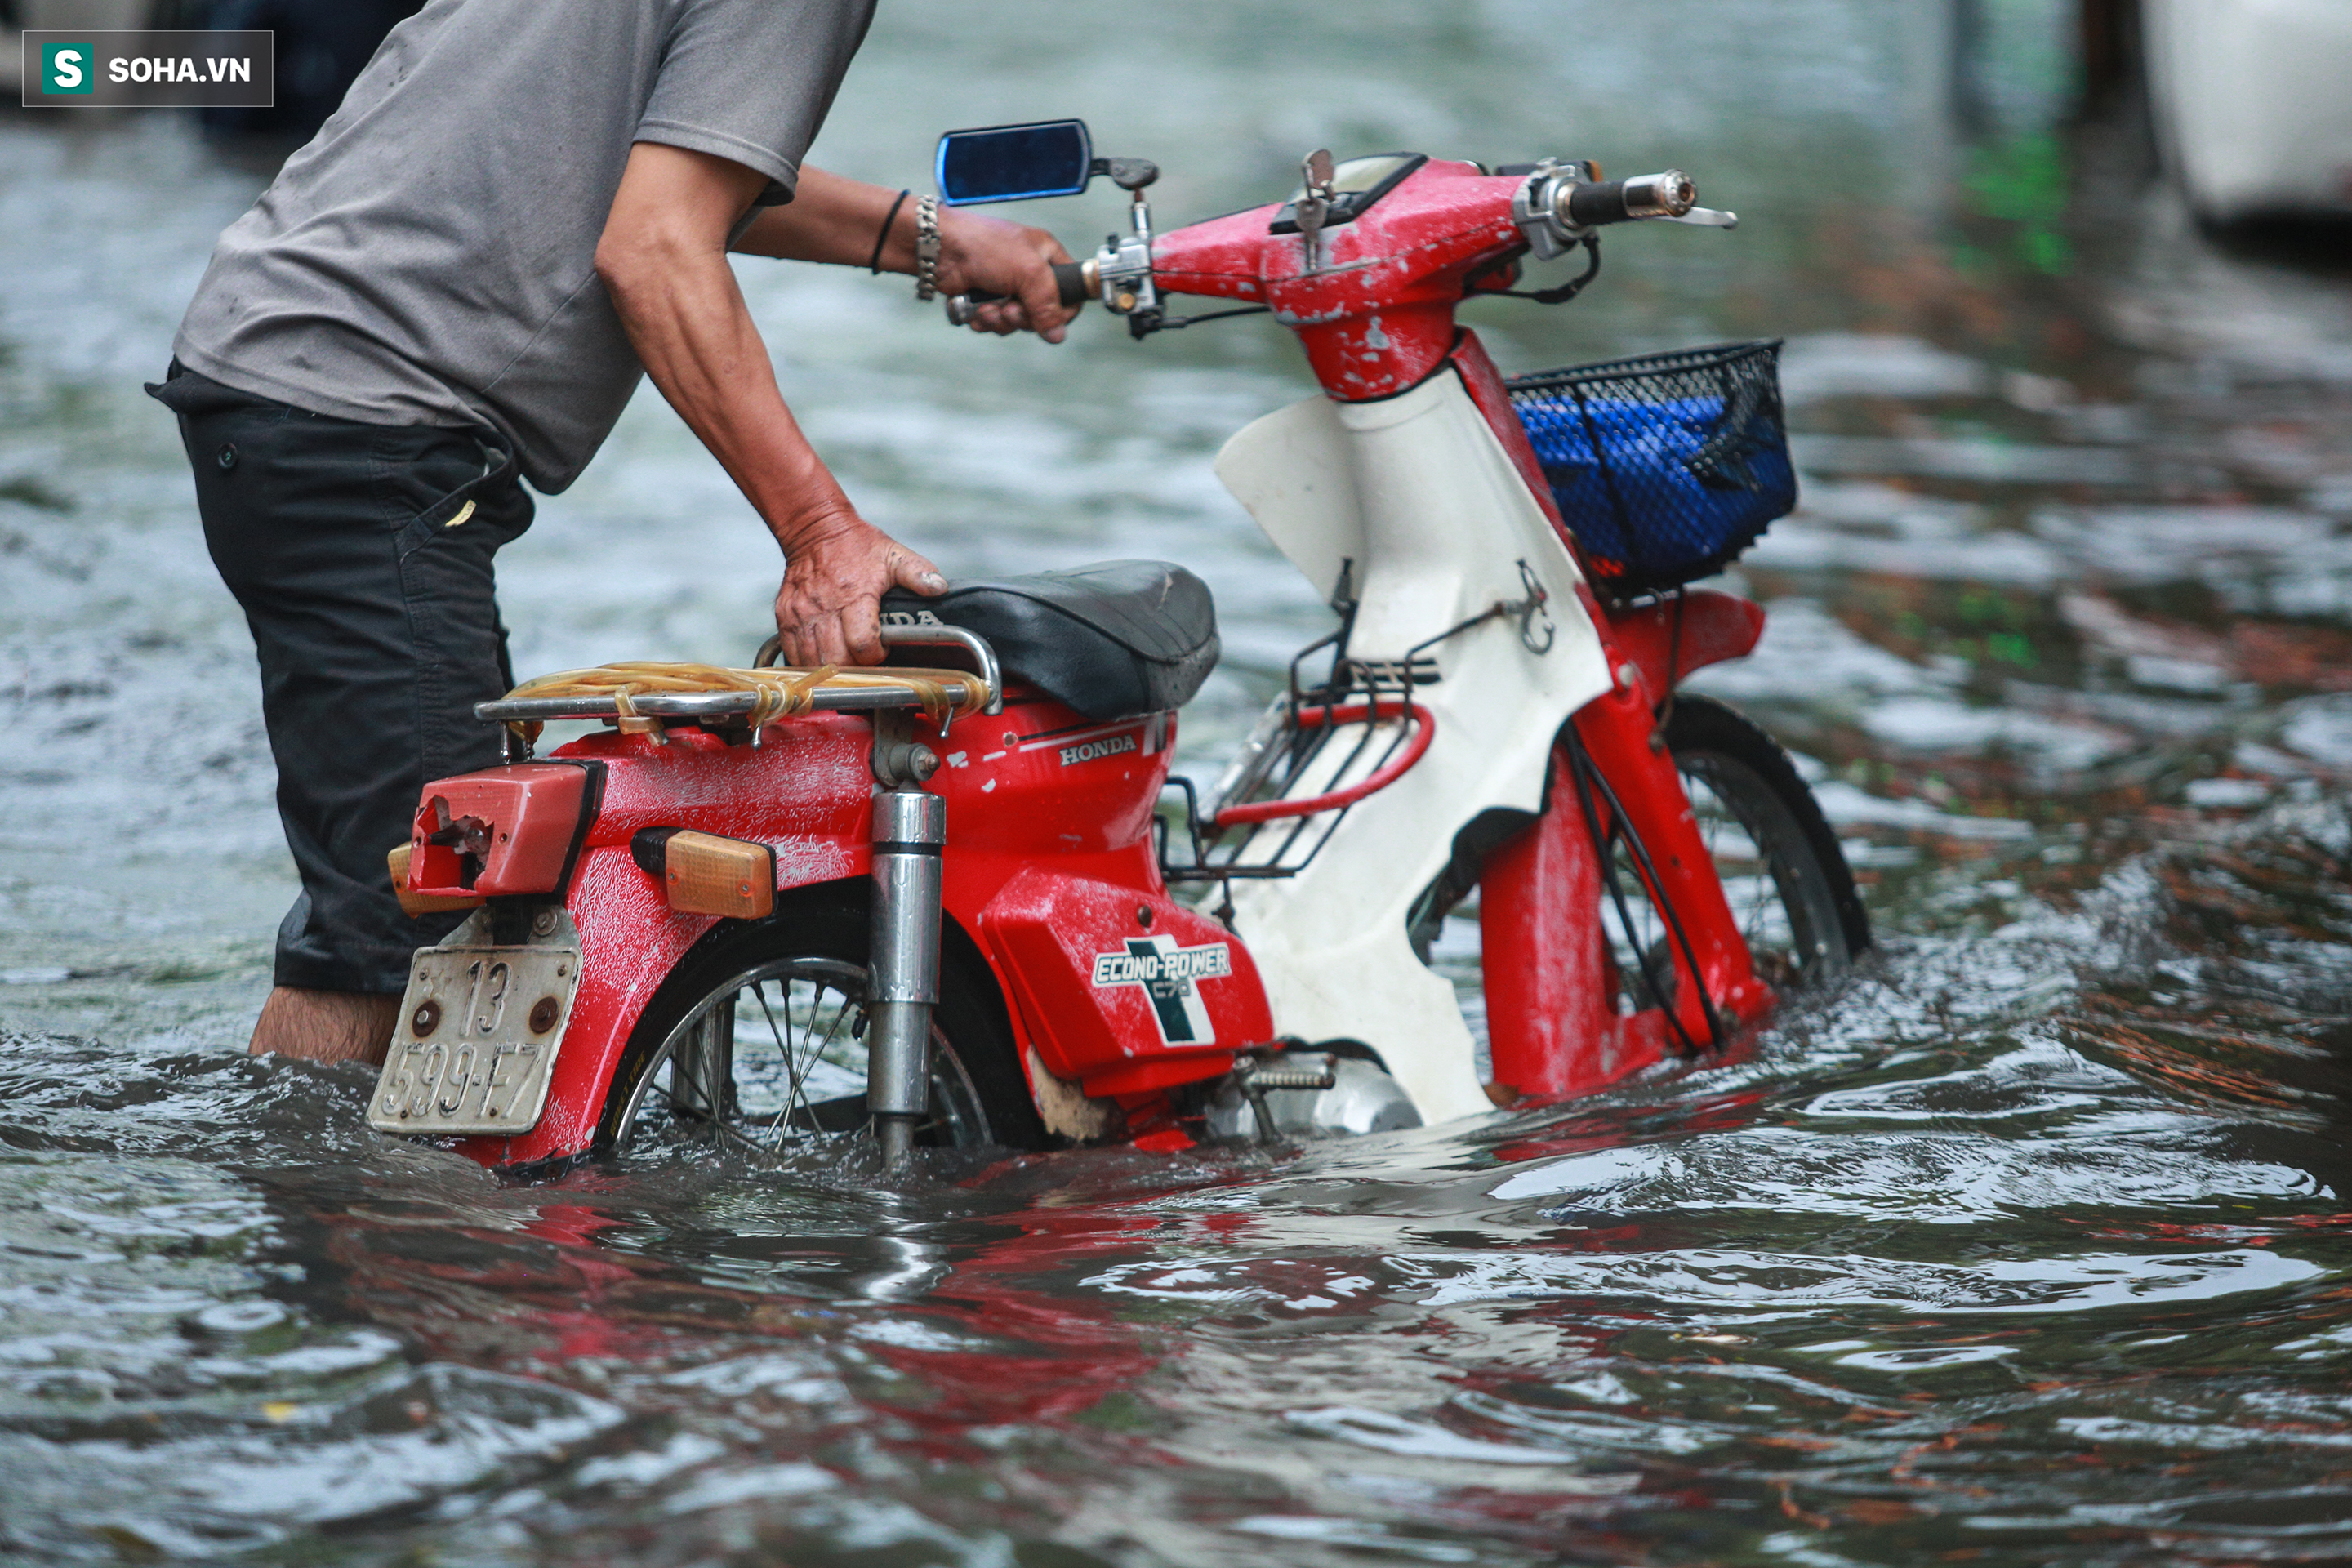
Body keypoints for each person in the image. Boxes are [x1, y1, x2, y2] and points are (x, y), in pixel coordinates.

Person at [149, 0, 1079, 1068]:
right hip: (357, 414)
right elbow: (652, 248)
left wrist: (924, 237)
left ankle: (315, 1190)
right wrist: (821, 531)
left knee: (411, 903)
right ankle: (351, 1222)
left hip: (297, 373)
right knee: (424, 938)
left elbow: (644, 168)